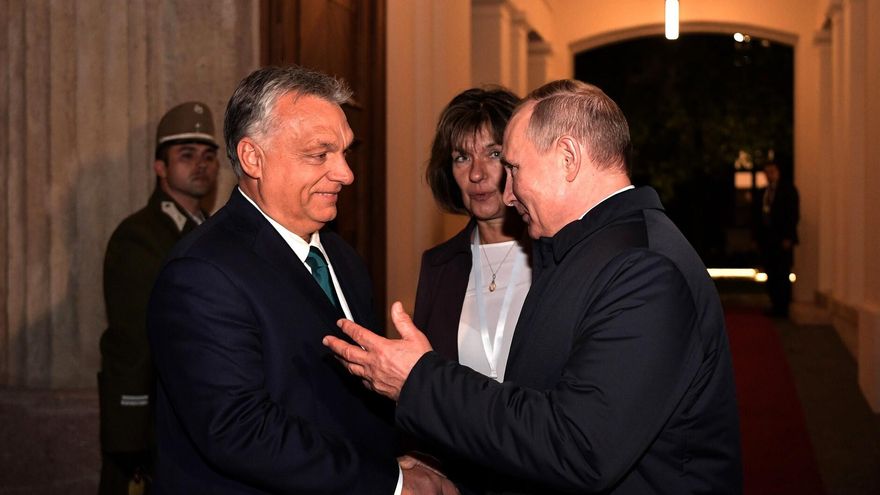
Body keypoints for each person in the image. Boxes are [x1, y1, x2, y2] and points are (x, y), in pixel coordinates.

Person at [325, 80, 743, 494]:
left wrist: (419, 380)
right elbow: (534, 414)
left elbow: (580, 446)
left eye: (513, 169)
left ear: (567, 158)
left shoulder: (644, 268)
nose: (506, 194)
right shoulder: (582, 250)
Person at [147, 65, 452, 494]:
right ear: (253, 158)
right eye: (319, 154)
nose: (346, 173)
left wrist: (404, 453)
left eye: (344, 152)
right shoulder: (201, 272)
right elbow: (241, 430)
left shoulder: (342, 258)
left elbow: (350, 399)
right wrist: (394, 483)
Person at [98, 101, 220, 494]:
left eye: (208, 156)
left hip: (206, 419)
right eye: (186, 155)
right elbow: (132, 340)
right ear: (160, 168)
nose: (201, 165)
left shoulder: (214, 232)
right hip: (156, 424)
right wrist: (129, 438)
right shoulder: (139, 236)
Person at [416, 87, 530, 381]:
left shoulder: (556, 258)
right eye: (462, 158)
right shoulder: (438, 266)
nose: (476, 174)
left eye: (494, 154)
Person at [758, 161, 799, 318]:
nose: (769, 175)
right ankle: (775, 304)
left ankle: (783, 307)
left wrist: (788, 236)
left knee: (782, 272)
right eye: (767, 172)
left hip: (782, 240)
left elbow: (793, 214)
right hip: (768, 240)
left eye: (772, 171)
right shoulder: (764, 192)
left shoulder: (788, 191)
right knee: (771, 272)